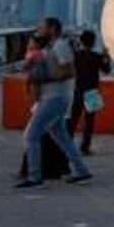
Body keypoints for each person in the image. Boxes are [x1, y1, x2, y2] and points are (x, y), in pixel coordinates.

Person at [18, 18, 92, 189]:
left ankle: (35, 176)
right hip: (52, 97)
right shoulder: (50, 47)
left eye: (42, 27)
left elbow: (69, 71)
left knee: (31, 135)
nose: (39, 30)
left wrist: (43, 78)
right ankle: (82, 171)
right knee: (62, 137)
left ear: (52, 29)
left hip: (55, 97)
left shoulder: (60, 46)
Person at [16, 35, 70, 181]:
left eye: (30, 44)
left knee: (34, 136)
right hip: (54, 101)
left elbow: (36, 81)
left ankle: (33, 173)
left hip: (46, 102)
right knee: (53, 137)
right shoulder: (49, 58)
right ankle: (59, 169)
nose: (28, 46)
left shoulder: (39, 59)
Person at [68, 30, 110, 155]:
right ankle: (85, 147)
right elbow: (106, 70)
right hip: (92, 91)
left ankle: (67, 144)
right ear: (93, 42)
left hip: (78, 90)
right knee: (89, 121)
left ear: (81, 41)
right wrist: (106, 57)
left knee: (73, 120)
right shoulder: (97, 57)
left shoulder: (76, 55)